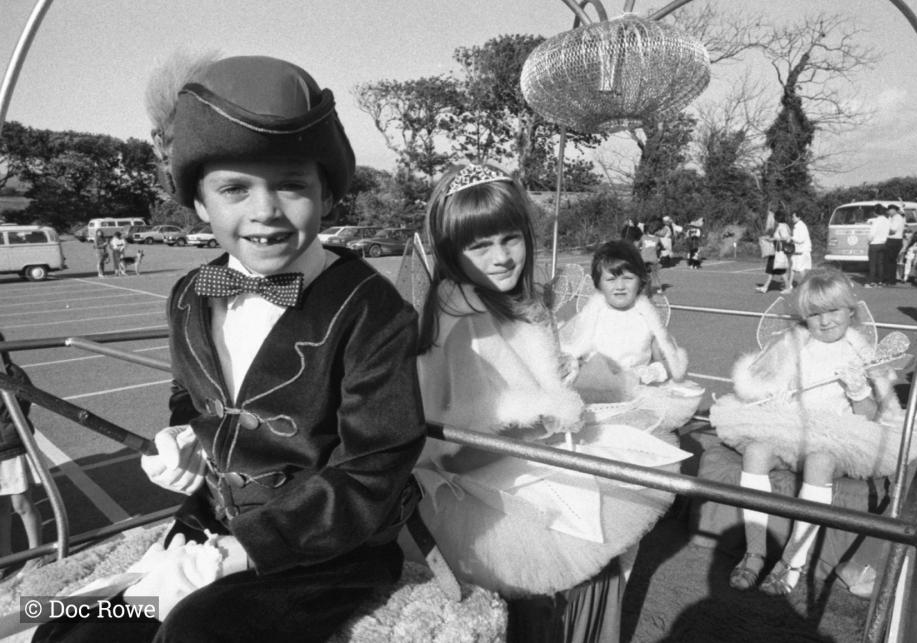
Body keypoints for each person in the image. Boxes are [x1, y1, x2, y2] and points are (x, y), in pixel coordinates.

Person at [38, 54, 426, 642]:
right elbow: (185, 398)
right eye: (234, 189)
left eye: (292, 185)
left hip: (326, 557)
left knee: (196, 635)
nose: (264, 211)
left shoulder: (375, 309)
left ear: (326, 196)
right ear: (198, 204)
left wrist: (246, 549)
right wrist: (182, 442)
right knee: (65, 632)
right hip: (205, 527)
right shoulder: (190, 293)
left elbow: (375, 467)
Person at [415, 163, 682, 643]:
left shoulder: (511, 303)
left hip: (536, 472)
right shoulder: (460, 321)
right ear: (451, 251)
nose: (500, 258)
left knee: (595, 570)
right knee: (561, 597)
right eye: (478, 245)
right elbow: (448, 453)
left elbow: (528, 385)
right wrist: (543, 425)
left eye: (510, 238)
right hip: (500, 500)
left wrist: (560, 385)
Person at [709, 267, 917, 595]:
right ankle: (755, 551)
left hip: (837, 436)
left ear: (850, 312)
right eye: (815, 313)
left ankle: (793, 560)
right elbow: (758, 382)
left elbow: (874, 415)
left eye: (834, 311)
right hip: (790, 427)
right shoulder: (792, 343)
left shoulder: (859, 351)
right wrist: (773, 393)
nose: (825, 321)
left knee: (820, 461)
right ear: (803, 316)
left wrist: (858, 391)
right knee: (755, 452)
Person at [562, 240, 689, 388]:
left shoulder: (649, 320)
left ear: (640, 280)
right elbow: (568, 354)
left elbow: (671, 363)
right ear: (598, 283)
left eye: (628, 278)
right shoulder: (589, 317)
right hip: (595, 394)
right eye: (610, 279)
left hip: (638, 395)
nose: (620, 286)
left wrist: (653, 372)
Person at [0, 332, 44, 580]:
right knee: (0, 507)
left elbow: (24, 400)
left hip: (11, 448)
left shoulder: (11, 372)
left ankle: (36, 554)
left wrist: (7, 421)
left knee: (21, 504)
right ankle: (5, 556)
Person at [757, 210, 791, 294]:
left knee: (780, 271)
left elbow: (785, 238)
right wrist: (771, 239)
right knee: (772, 271)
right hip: (776, 251)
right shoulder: (783, 226)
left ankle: (787, 288)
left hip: (778, 252)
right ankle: (765, 287)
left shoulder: (782, 226)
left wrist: (774, 239)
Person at [865, 205, 889, 288]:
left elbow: (872, 233)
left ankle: (871, 281)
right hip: (883, 243)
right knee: (880, 264)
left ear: (875, 212)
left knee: (872, 264)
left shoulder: (876, 221)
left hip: (874, 244)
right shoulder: (887, 220)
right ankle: (880, 281)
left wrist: (868, 241)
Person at [638, 220, 664, 292]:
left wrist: (641, 248)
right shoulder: (657, 239)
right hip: (653, 259)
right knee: (655, 274)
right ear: (655, 231)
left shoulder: (643, 237)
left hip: (643, 258)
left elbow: (638, 246)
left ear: (648, 231)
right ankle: (658, 288)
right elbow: (662, 247)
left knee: (641, 273)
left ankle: (640, 286)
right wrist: (658, 249)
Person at [789, 210, 812, 288]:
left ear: (799, 217)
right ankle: (789, 284)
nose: (792, 218)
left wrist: (791, 238)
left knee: (800, 269)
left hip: (802, 251)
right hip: (802, 250)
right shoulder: (801, 225)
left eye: (793, 217)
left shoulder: (798, 226)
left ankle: (807, 286)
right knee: (794, 267)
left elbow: (800, 239)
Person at [884, 204, 906, 286]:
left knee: (890, 261)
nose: (888, 212)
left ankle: (890, 279)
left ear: (894, 210)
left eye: (889, 210)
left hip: (894, 240)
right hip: (894, 240)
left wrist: (884, 230)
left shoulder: (897, 218)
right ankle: (891, 279)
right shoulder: (893, 217)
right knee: (891, 261)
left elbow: (893, 230)